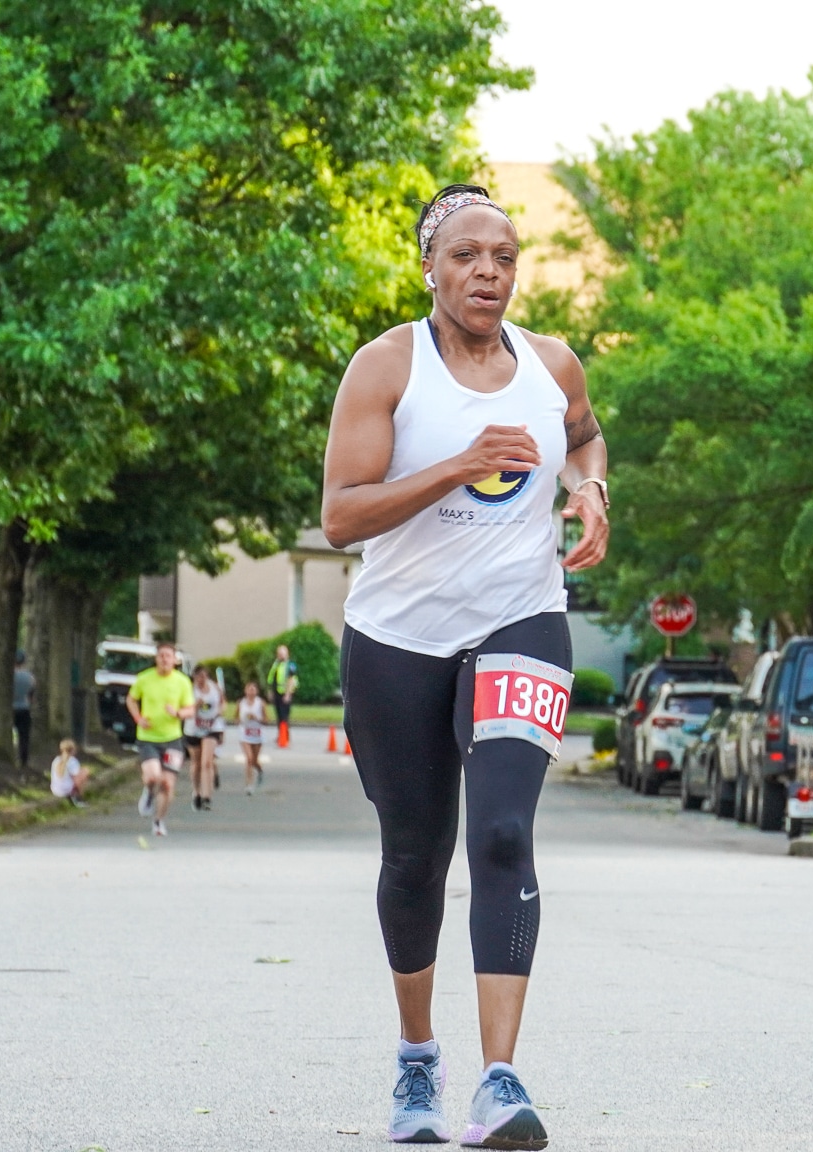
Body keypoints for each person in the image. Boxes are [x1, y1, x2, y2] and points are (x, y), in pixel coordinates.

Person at [321, 183, 609, 1149]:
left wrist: (591, 491)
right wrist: (456, 464)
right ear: (429, 267)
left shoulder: (553, 364)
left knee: (502, 836)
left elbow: (583, 437)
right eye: (467, 256)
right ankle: (417, 1059)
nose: (489, 272)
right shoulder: (387, 366)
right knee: (415, 855)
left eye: (505, 257)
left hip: (521, 619)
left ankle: (499, 1081)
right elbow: (341, 516)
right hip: (397, 638)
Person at [126, 641, 194, 837]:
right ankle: (148, 792)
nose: (164, 659)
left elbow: (190, 709)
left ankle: (158, 821)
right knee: (153, 776)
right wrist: (138, 718)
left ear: (175, 660)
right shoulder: (144, 678)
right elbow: (131, 699)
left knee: (167, 784)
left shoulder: (182, 681)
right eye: (161, 656)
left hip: (173, 740)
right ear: (156, 658)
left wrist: (178, 713)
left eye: (168, 656)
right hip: (148, 738)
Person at [186, 665, 225, 810]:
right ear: (194, 677)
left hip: (212, 727)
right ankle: (196, 792)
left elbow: (223, 702)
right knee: (196, 763)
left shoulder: (215, 688)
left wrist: (220, 711)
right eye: (198, 677)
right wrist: (196, 706)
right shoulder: (189, 690)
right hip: (194, 729)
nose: (201, 680)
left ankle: (207, 796)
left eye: (204, 676)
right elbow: (185, 710)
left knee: (207, 762)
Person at [266, 644, 297, 746]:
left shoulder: (290, 665)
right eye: (279, 654)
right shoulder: (276, 664)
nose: (280, 656)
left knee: (284, 716)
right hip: (277, 693)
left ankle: (285, 736)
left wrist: (288, 694)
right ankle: (280, 734)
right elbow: (271, 678)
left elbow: (291, 680)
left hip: (285, 693)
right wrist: (270, 691)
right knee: (279, 715)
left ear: (287, 654)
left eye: (282, 653)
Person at [49, 738, 90, 806]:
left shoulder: (56, 760)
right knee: (85, 771)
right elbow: (76, 775)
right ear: (73, 750)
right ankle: (78, 797)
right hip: (66, 789)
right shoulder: (72, 761)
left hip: (55, 789)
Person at [12, 652, 35, 769]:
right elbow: (31, 696)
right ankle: (23, 760)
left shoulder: (8, 676)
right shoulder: (30, 677)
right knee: (24, 736)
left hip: (11, 709)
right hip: (24, 709)